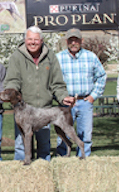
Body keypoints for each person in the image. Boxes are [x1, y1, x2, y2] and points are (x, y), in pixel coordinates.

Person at [4, 26, 75, 161]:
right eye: (30, 39)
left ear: (41, 41)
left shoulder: (50, 56)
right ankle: (21, 176)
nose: (33, 42)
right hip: (24, 110)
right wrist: (11, 93)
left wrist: (63, 96)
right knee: (21, 146)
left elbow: (57, 83)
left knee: (44, 147)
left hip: (44, 110)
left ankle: (44, 177)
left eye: (36, 40)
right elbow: (13, 80)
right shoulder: (17, 56)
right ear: (25, 40)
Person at [55, 28, 107, 157]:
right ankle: (62, 162)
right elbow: (52, 81)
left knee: (85, 135)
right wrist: (60, 98)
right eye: (71, 40)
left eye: (76, 40)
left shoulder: (90, 57)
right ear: (67, 41)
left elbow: (101, 76)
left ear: (81, 41)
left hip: (84, 102)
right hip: (66, 104)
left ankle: (83, 162)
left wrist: (93, 96)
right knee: (62, 135)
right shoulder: (58, 58)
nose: (73, 43)